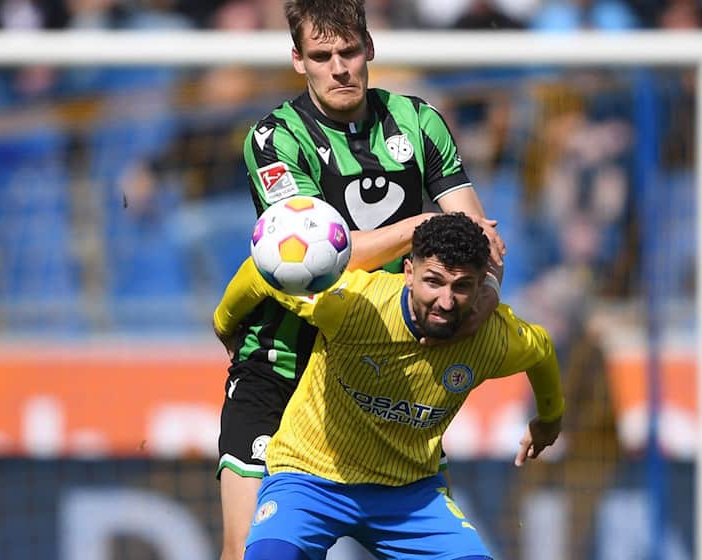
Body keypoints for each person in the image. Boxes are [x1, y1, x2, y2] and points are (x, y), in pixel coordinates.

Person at [218, 1, 506, 557]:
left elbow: (482, 243)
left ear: (370, 48)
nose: (339, 67)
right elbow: (315, 260)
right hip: (282, 367)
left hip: (379, 373)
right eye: (322, 56)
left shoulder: (420, 122)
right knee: (248, 549)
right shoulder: (274, 138)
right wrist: (425, 226)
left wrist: (486, 297)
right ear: (298, 60)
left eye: (349, 51)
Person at [213, 213, 564, 560]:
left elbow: (542, 350)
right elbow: (265, 272)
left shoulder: (493, 339)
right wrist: (224, 321)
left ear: (479, 289)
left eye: (461, 287)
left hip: (409, 495)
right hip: (309, 479)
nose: (445, 301)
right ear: (409, 272)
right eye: (434, 281)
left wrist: (550, 419)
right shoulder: (352, 304)